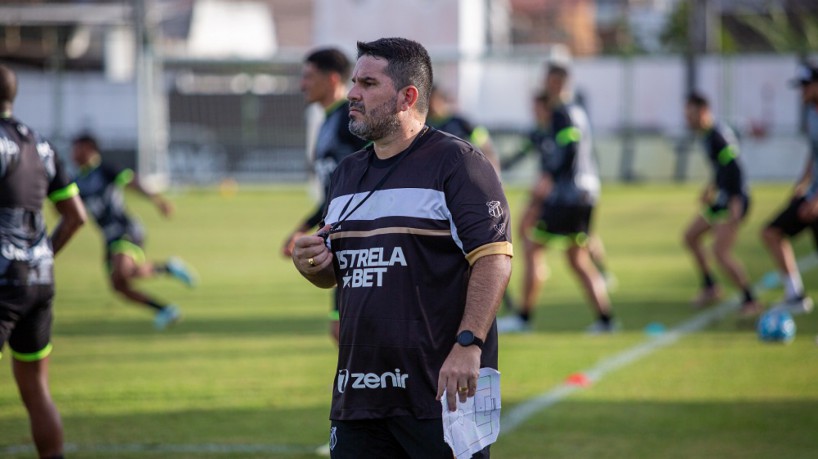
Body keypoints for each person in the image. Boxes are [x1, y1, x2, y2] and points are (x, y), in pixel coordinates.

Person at [291, 37, 512, 458]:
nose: (353, 93)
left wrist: (469, 344)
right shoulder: (346, 174)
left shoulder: (458, 163)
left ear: (407, 97)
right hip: (359, 394)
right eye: (355, 82)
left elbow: (494, 259)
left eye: (369, 84)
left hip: (444, 392)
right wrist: (313, 264)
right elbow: (336, 272)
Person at [0, 64, 87, 459]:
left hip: (2, 280)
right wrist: (41, 255)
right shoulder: (41, 144)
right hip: (38, 280)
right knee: (36, 390)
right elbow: (76, 217)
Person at [497, 89, 616, 334]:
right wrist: (500, 165)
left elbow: (567, 157)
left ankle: (523, 317)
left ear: (547, 108)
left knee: (531, 247)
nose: (535, 113)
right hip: (582, 197)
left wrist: (547, 179)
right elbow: (524, 151)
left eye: (537, 108)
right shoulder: (544, 131)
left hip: (567, 199)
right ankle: (606, 320)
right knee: (577, 259)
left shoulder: (560, 126)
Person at [281, 48, 367, 344]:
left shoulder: (350, 119)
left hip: (362, 240)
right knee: (343, 332)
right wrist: (302, 227)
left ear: (332, 79)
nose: (302, 84)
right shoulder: (327, 122)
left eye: (308, 76)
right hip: (341, 240)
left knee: (351, 332)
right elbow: (334, 193)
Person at [71, 134, 196, 330]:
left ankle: (168, 270)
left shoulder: (104, 170)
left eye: (77, 148)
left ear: (89, 148)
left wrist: (157, 200)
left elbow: (133, 182)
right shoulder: (76, 180)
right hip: (109, 237)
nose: (73, 154)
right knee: (119, 285)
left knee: (124, 272)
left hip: (125, 229)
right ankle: (165, 306)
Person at [681, 92, 761, 317]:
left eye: (691, 114)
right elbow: (722, 168)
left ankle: (750, 299)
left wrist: (735, 200)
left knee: (720, 252)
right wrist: (711, 187)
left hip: (734, 199)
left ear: (703, 111)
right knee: (690, 236)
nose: (688, 119)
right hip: (723, 197)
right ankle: (710, 287)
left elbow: (735, 167)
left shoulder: (718, 135)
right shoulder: (706, 135)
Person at [760, 63, 818, 315]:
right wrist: (803, 182)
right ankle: (794, 295)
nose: (801, 92)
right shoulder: (810, 113)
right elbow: (814, 152)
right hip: (811, 194)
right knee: (771, 232)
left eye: (806, 86)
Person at [428, 85, 500, 172]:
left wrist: (493, 169)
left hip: (461, 170)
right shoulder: (423, 125)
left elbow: (485, 145)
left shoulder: (461, 123)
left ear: (443, 100)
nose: (431, 105)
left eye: (434, 100)